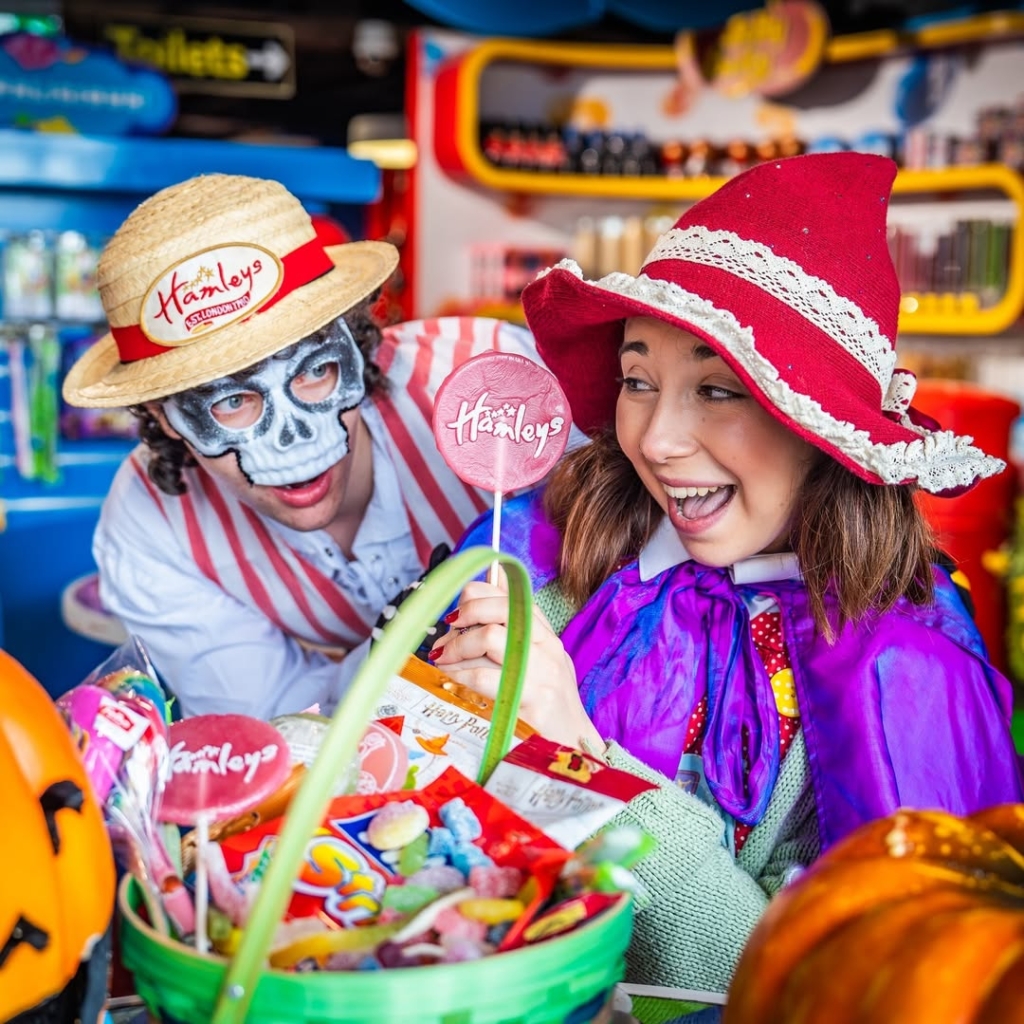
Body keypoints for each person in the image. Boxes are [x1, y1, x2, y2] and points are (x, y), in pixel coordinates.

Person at [426, 152, 1024, 993]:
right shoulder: (548, 551)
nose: (657, 440)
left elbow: (813, 989)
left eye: (718, 391)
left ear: (820, 429)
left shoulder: (909, 678)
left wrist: (582, 760)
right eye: (639, 379)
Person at [61, 172, 550, 720]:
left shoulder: (496, 386)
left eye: (316, 370)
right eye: (230, 402)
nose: (288, 435)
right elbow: (274, 718)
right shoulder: (152, 526)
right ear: (161, 415)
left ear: (356, 342)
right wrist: (404, 654)